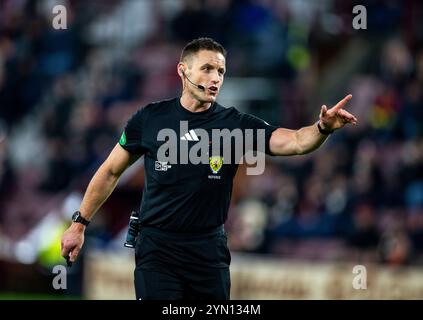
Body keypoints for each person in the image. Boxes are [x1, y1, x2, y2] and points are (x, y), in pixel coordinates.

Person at [60, 37, 357, 300]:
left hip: (208, 250)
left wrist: (322, 128)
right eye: (207, 69)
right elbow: (111, 171)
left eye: (221, 71)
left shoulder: (236, 124)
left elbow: (294, 141)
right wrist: (79, 224)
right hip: (157, 249)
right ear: (183, 70)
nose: (216, 78)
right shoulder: (149, 119)